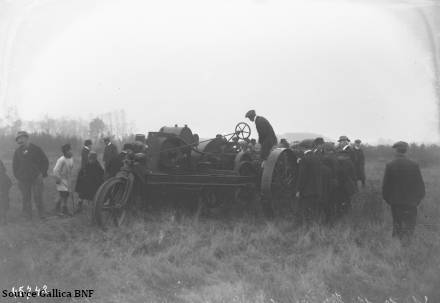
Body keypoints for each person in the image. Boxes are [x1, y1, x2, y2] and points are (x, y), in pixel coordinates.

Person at [382, 141, 425, 242]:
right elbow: (420, 185)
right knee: (410, 223)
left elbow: (385, 186)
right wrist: (417, 200)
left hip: (395, 201)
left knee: (397, 222)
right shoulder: (414, 165)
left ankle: (397, 244)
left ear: (396, 151)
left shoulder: (390, 165)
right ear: (406, 151)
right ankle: (408, 243)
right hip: (411, 201)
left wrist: (388, 200)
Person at [13, 131, 49, 220]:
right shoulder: (17, 152)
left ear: (26, 138)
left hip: (36, 177)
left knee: (38, 196)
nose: (20, 141)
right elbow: (15, 166)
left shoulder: (36, 149)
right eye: (18, 139)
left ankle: (42, 214)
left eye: (21, 138)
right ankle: (27, 216)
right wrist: (18, 176)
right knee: (26, 198)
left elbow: (45, 162)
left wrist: (42, 173)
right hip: (23, 179)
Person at [295, 139, 322, 225]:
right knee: (314, 210)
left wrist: (298, 190)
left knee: (306, 210)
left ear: (303, 148)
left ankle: (306, 227)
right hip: (317, 188)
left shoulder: (304, 159)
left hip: (307, 190)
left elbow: (302, 177)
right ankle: (315, 226)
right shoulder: (317, 158)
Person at [335, 138, 357, 217]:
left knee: (346, 198)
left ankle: (346, 213)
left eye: (342, 141)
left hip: (347, 177)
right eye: (340, 142)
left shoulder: (350, 150)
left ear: (346, 142)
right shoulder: (338, 150)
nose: (341, 143)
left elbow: (354, 163)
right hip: (341, 179)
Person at [53, 144, 74, 216]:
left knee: (66, 194)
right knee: (62, 194)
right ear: (66, 152)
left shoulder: (71, 159)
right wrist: (58, 178)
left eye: (71, 150)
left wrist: (70, 179)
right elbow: (55, 170)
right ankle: (57, 210)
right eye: (69, 150)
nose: (71, 151)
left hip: (67, 179)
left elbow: (70, 169)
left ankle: (65, 209)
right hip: (61, 179)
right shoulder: (61, 160)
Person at [0, 160, 12, 225]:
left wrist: (4, 191)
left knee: (3, 202)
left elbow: (9, 183)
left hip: (3, 190)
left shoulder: (3, 176)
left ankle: (3, 218)